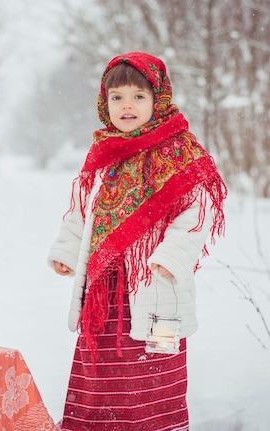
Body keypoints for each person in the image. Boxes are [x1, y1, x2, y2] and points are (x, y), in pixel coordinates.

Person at [47, 52, 227, 431]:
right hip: (105, 288)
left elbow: (199, 210)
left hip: (155, 282)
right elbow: (84, 211)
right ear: (104, 103)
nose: (126, 105)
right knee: (103, 368)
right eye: (117, 97)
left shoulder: (179, 152)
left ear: (158, 99)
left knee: (151, 366)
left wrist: (171, 256)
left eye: (138, 96)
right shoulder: (105, 154)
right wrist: (67, 250)